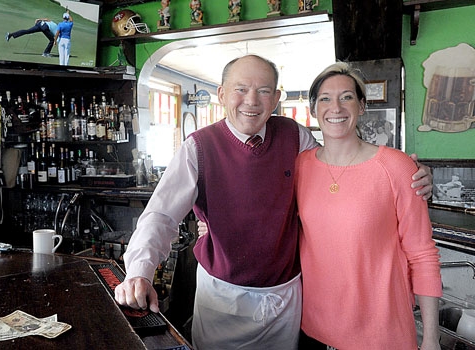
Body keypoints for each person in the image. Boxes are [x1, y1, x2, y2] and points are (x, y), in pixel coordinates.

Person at [114, 55, 433, 350]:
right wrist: (140, 271)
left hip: (286, 297)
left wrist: (408, 172)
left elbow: (340, 166)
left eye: (263, 91)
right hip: (223, 297)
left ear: (276, 99)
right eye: (241, 89)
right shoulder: (198, 146)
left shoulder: (295, 136)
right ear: (222, 95)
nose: (251, 101)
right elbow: (160, 216)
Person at [295, 62, 441, 349]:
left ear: (362, 106)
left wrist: (432, 338)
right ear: (313, 109)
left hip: (381, 333)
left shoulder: (396, 167)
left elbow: (422, 254)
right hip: (313, 328)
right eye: (325, 98)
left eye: (347, 97)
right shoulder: (300, 166)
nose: (335, 107)